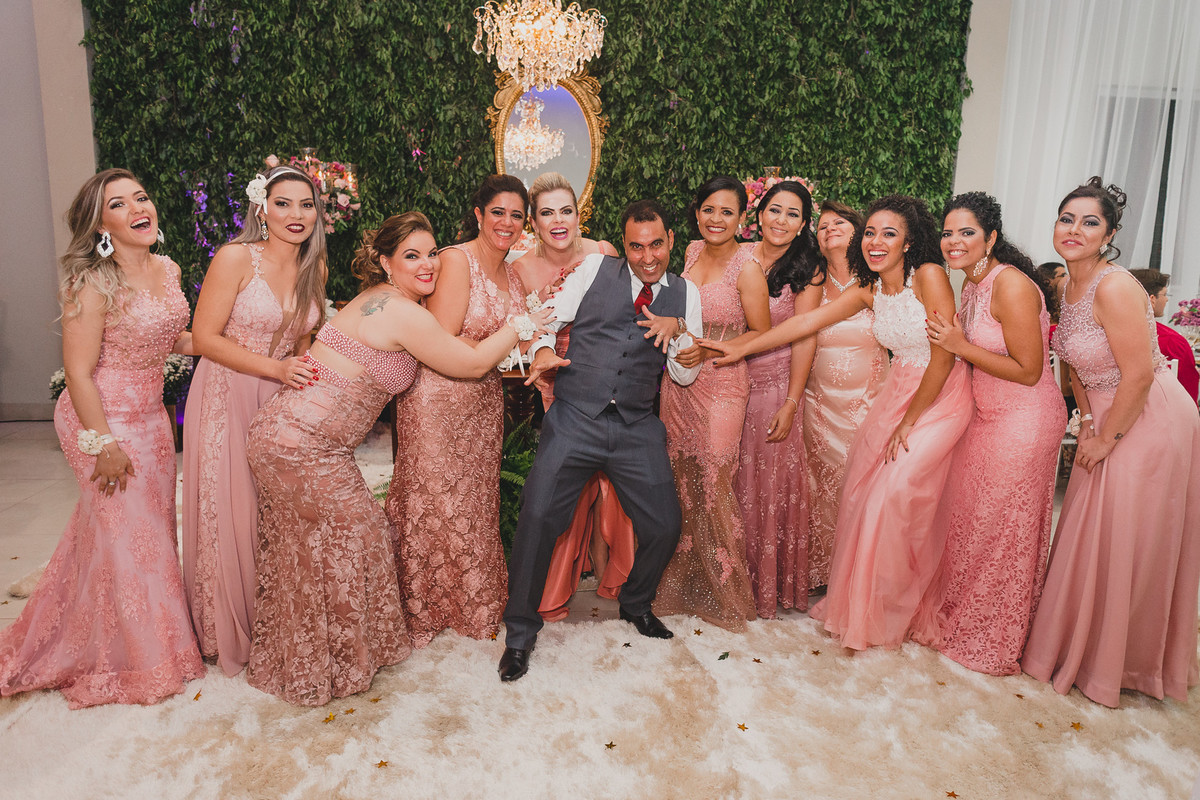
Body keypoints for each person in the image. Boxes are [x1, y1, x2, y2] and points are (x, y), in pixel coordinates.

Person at [246, 212, 550, 705]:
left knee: (313, 549)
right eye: (412, 256)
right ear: (386, 262)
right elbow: (472, 364)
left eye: (431, 253)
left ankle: (314, 660)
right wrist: (522, 324)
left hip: (301, 440)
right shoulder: (399, 310)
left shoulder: (389, 301)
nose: (428, 264)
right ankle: (336, 666)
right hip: (300, 444)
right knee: (360, 538)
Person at [704, 195, 972, 650]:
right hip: (900, 391)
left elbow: (944, 358)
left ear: (908, 242)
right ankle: (872, 601)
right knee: (860, 494)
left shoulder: (928, 276)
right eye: (870, 233)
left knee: (895, 492)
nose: (876, 241)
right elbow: (807, 323)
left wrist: (909, 422)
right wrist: (743, 347)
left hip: (940, 394)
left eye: (889, 234)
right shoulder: (869, 290)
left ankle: (897, 602)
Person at [0, 169, 203, 707]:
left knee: (146, 533)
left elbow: (170, 338)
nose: (138, 208)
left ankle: (136, 637)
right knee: (127, 536)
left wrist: (226, 345)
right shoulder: (90, 283)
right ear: (100, 226)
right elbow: (77, 373)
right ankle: (143, 660)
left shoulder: (168, 268)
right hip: (99, 419)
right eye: (119, 203)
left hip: (151, 418)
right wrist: (104, 444)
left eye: (141, 197)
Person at [499, 199, 702, 682]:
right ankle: (520, 635)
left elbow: (684, 375)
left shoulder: (686, 293)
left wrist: (679, 334)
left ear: (671, 241)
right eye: (636, 247)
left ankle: (636, 602)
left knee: (665, 525)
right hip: (575, 418)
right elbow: (549, 318)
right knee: (538, 515)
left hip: (636, 425)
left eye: (656, 245)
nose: (647, 257)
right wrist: (542, 350)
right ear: (623, 245)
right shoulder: (593, 269)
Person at [1021, 177, 1200, 707]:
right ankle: (1082, 645)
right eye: (1067, 219)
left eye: (1090, 222)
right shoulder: (1067, 286)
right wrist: (1085, 424)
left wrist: (1107, 439)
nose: (1074, 230)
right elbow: (1076, 365)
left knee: (1126, 532)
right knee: (1090, 525)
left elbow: (1139, 375)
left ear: (1110, 235)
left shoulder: (1115, 287)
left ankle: (1122, 662)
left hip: (1150, 416)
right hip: (1105, 415)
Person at [182, 165, 326, 676]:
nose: (295, 214)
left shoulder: (314, 269)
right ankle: (223, 626)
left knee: (273, 509)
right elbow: (204, 338)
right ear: (262, 208)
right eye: (283, 203)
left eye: (306, 204)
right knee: (230, 506)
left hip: (279, 397)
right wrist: (277, 369)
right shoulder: (235, 257)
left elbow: (304, 342)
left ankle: (270, 616)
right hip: (228, 390)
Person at [920, 192, 1067, 675]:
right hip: (986, 416)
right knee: (974, 520)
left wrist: (959, 345)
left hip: (1025, 419)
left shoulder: (1012, 285)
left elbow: (1028, 370)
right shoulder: (971, 283)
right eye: (948, 232)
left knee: (1006, 528)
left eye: (967, 232)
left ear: (991, 238)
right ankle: (967, 616)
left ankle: (995, 635)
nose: (954, 241)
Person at [385, 175, 529, 648]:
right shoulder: (455, 260)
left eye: (516, 215)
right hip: (437, 399)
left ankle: (470, 603)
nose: (506, 222)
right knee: (433, 499)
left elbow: (508, 342)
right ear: (479, 215)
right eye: (498, 212)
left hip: (484, 399)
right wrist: (499, 344)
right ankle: (421, 605)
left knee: (473, 502)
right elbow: (441, 341)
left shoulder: (514, 274)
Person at [510, 172, 635, 621]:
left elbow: (627, 315)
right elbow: (524, 330)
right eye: (547, 213)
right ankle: (559, 581)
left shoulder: (604, 253)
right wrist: (541, 349)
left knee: (613, 481)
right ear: (533, 222)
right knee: (572, 482)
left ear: (579, 215)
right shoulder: (521, 269)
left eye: (566, 210)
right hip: (557, 380)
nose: (558, 221)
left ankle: (612, 569)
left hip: (610, 379)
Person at [652, 175, 770, 631]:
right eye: (708, 209)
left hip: (722, 383)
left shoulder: (748, 268)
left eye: (727, 211)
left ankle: (726, 595)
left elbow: (760, 333)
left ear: (742, 218)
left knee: (714, 480)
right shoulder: (690, 252)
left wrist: (708, 350)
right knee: (680, 480)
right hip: (678, 383)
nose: (716, 219)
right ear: (697, 213)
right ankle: (682, 585)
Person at [734, 180, 824, 616]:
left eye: (793, 214)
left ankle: (762, 585)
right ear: (759, 213)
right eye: (775, 210)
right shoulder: (738, 256)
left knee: (766, 483)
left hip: (775, 387)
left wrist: (791, 402)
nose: (781, 220)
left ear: (803, 224)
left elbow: (806, 337)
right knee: (731, 478)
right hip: (728, 379)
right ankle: (727, 577)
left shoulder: (808, 270)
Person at [803, 201, 888, 593]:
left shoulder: (878, 280)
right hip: (819, 406)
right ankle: (823, 570)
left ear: (859, 233)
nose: (829, 229)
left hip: (869, 404)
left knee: (864, 487)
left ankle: (861, 571)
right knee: (820, 488)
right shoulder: (811, 284)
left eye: (839, 223)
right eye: (822, 226)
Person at [1129, 269, 1199, 404]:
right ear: (1151, 299)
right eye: (1165, 294)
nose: (1166, 299)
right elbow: (1188, 390)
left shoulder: (1104, 332)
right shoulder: (1173, 341)